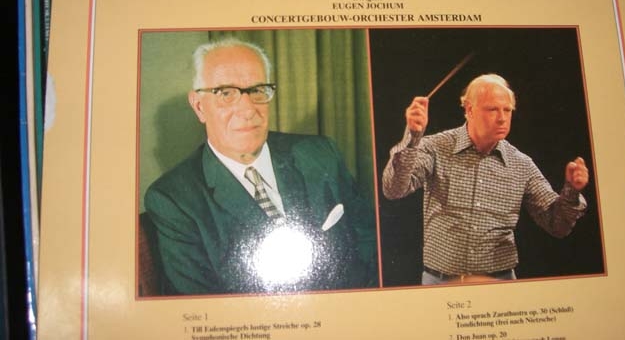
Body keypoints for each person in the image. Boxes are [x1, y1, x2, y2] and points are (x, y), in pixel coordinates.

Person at [145, 37, 378, 295]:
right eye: (226, 94)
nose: (247, 110)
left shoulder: (320, 154)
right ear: (199, 106)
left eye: (257, 90)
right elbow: (203, 306)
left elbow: (371, 248)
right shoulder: (173, 199)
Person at [382, 73, 589, 284]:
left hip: (499, 283)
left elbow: (556, 225)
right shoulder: (435, 147)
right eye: (492, 109)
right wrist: (412, 139)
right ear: (469, 110)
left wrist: (571, 191)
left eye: (507, 110)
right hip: (440, 282)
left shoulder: (522, 164)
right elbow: (394, 189)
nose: (502, 118)